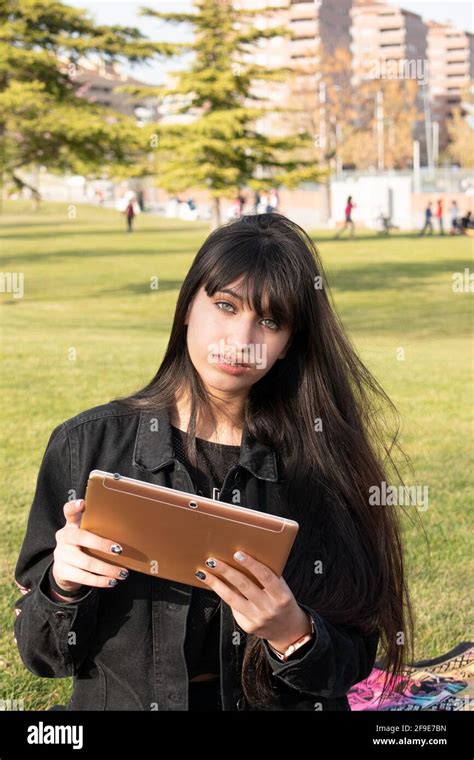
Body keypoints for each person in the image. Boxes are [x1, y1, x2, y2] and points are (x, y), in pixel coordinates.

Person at [13, 213, 415, 712]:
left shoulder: (321, 463)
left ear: (290, 343)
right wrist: (62, 586)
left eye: (269, 321)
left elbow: (350, 662)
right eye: (225, 305)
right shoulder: (86, 444)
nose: (242, 337)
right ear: (187, 307)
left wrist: (292, 633)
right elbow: (43, 656)